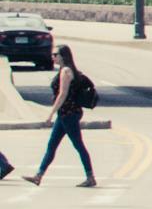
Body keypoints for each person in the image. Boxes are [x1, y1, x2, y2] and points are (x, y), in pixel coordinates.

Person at [21, 45, 96, 188]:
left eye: (55, 54)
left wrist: (50, 113)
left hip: (68, 114)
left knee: (78, 145)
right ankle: (38, 176)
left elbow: (63, 94)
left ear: (63, 56)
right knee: (52, 145)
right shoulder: (66, 70)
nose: (53, 57)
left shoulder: (66, 71)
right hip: (65, 114)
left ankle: (90, 176)